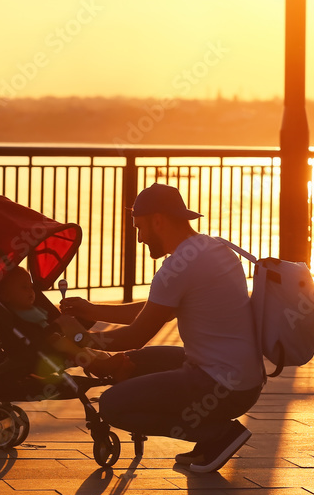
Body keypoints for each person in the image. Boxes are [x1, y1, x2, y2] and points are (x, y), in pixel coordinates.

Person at [61, 183, 263, 473]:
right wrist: (91, 310)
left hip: (221, 386)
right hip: (242, 381)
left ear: (158, 220)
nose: (140, 238)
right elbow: (154, 311)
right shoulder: (211, 247)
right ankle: (212, 435)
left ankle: (216, 434)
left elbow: (137, 335)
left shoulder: (178, 267)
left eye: (140, 227)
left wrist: (81, 338)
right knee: (141, 363)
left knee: (112, 405)